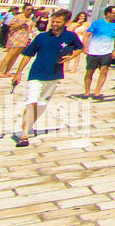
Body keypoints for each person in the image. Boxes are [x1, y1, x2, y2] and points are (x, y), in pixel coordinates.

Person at [12, 8, 84, 148]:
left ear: (65, 23)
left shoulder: (70, 36)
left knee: (41, 105)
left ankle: (29, 124)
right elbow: (28, 55)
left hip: (54, 75)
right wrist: (18, 72)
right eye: (53, 21)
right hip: (37, 74)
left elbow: (80, 48)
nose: (54, 24)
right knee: (31, 102)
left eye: (58, 22)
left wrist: (72, 56)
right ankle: (24, 135)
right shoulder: (41, 37)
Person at [81, 5, 115, 100]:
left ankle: (97, 92)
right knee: (89, 72)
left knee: (104, 71)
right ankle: (87, 92)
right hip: (94, 51)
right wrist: (85, 47)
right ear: (108, 13)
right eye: (114, 13)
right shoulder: (97, 23)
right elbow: (86, 35)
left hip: (107, 52)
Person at [0, 5, 36, 79]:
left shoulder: (30, 18)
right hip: (16, 38)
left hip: (24, 39)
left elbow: (31, 28)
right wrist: (22, 23)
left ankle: (7, 71)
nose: (30, 11)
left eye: (31, 9)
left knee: (15, 56)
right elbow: (11, 26)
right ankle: (0, 71)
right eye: (28, 9)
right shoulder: (18, 17)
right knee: (9, 55)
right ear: (24, 9)